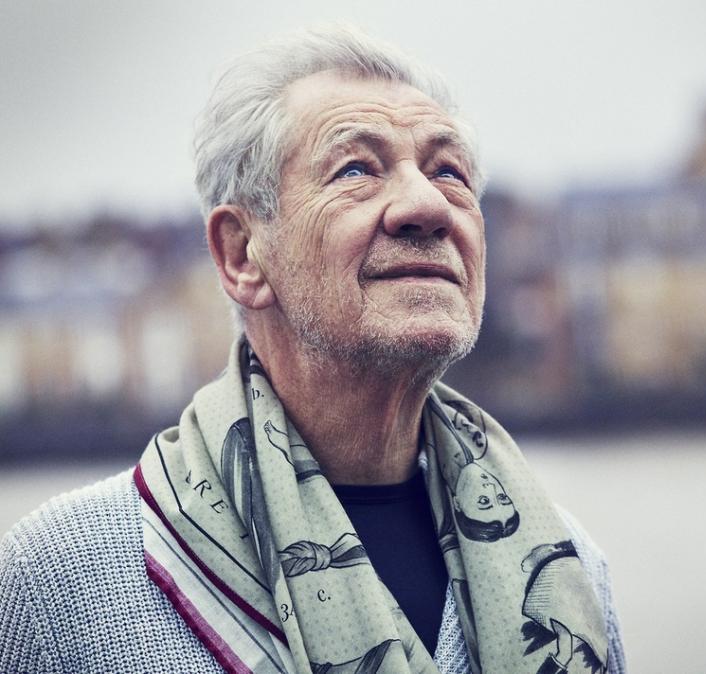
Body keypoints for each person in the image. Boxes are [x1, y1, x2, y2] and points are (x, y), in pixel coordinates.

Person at [0, 26, 626, 674]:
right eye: (356, 169)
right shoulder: (59, 583)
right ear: (242, 255)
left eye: (448, 172)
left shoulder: (570, 575)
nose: (427, 204)